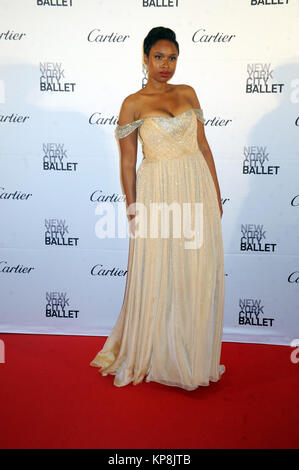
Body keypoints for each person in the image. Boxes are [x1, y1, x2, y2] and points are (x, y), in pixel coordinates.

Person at [90, 26, 226, 391]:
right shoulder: (132, 103)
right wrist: (133, 208)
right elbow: (126, 162)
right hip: (158, 192)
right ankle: (156, 350)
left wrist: (215, 193)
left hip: (196, 186)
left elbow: (204, 145)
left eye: (172, 58)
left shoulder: (188, 93)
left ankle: (187, 352)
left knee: (192, 269)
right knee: (159, 270)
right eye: (159, 57)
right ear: (145, 57)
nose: (166, 65)